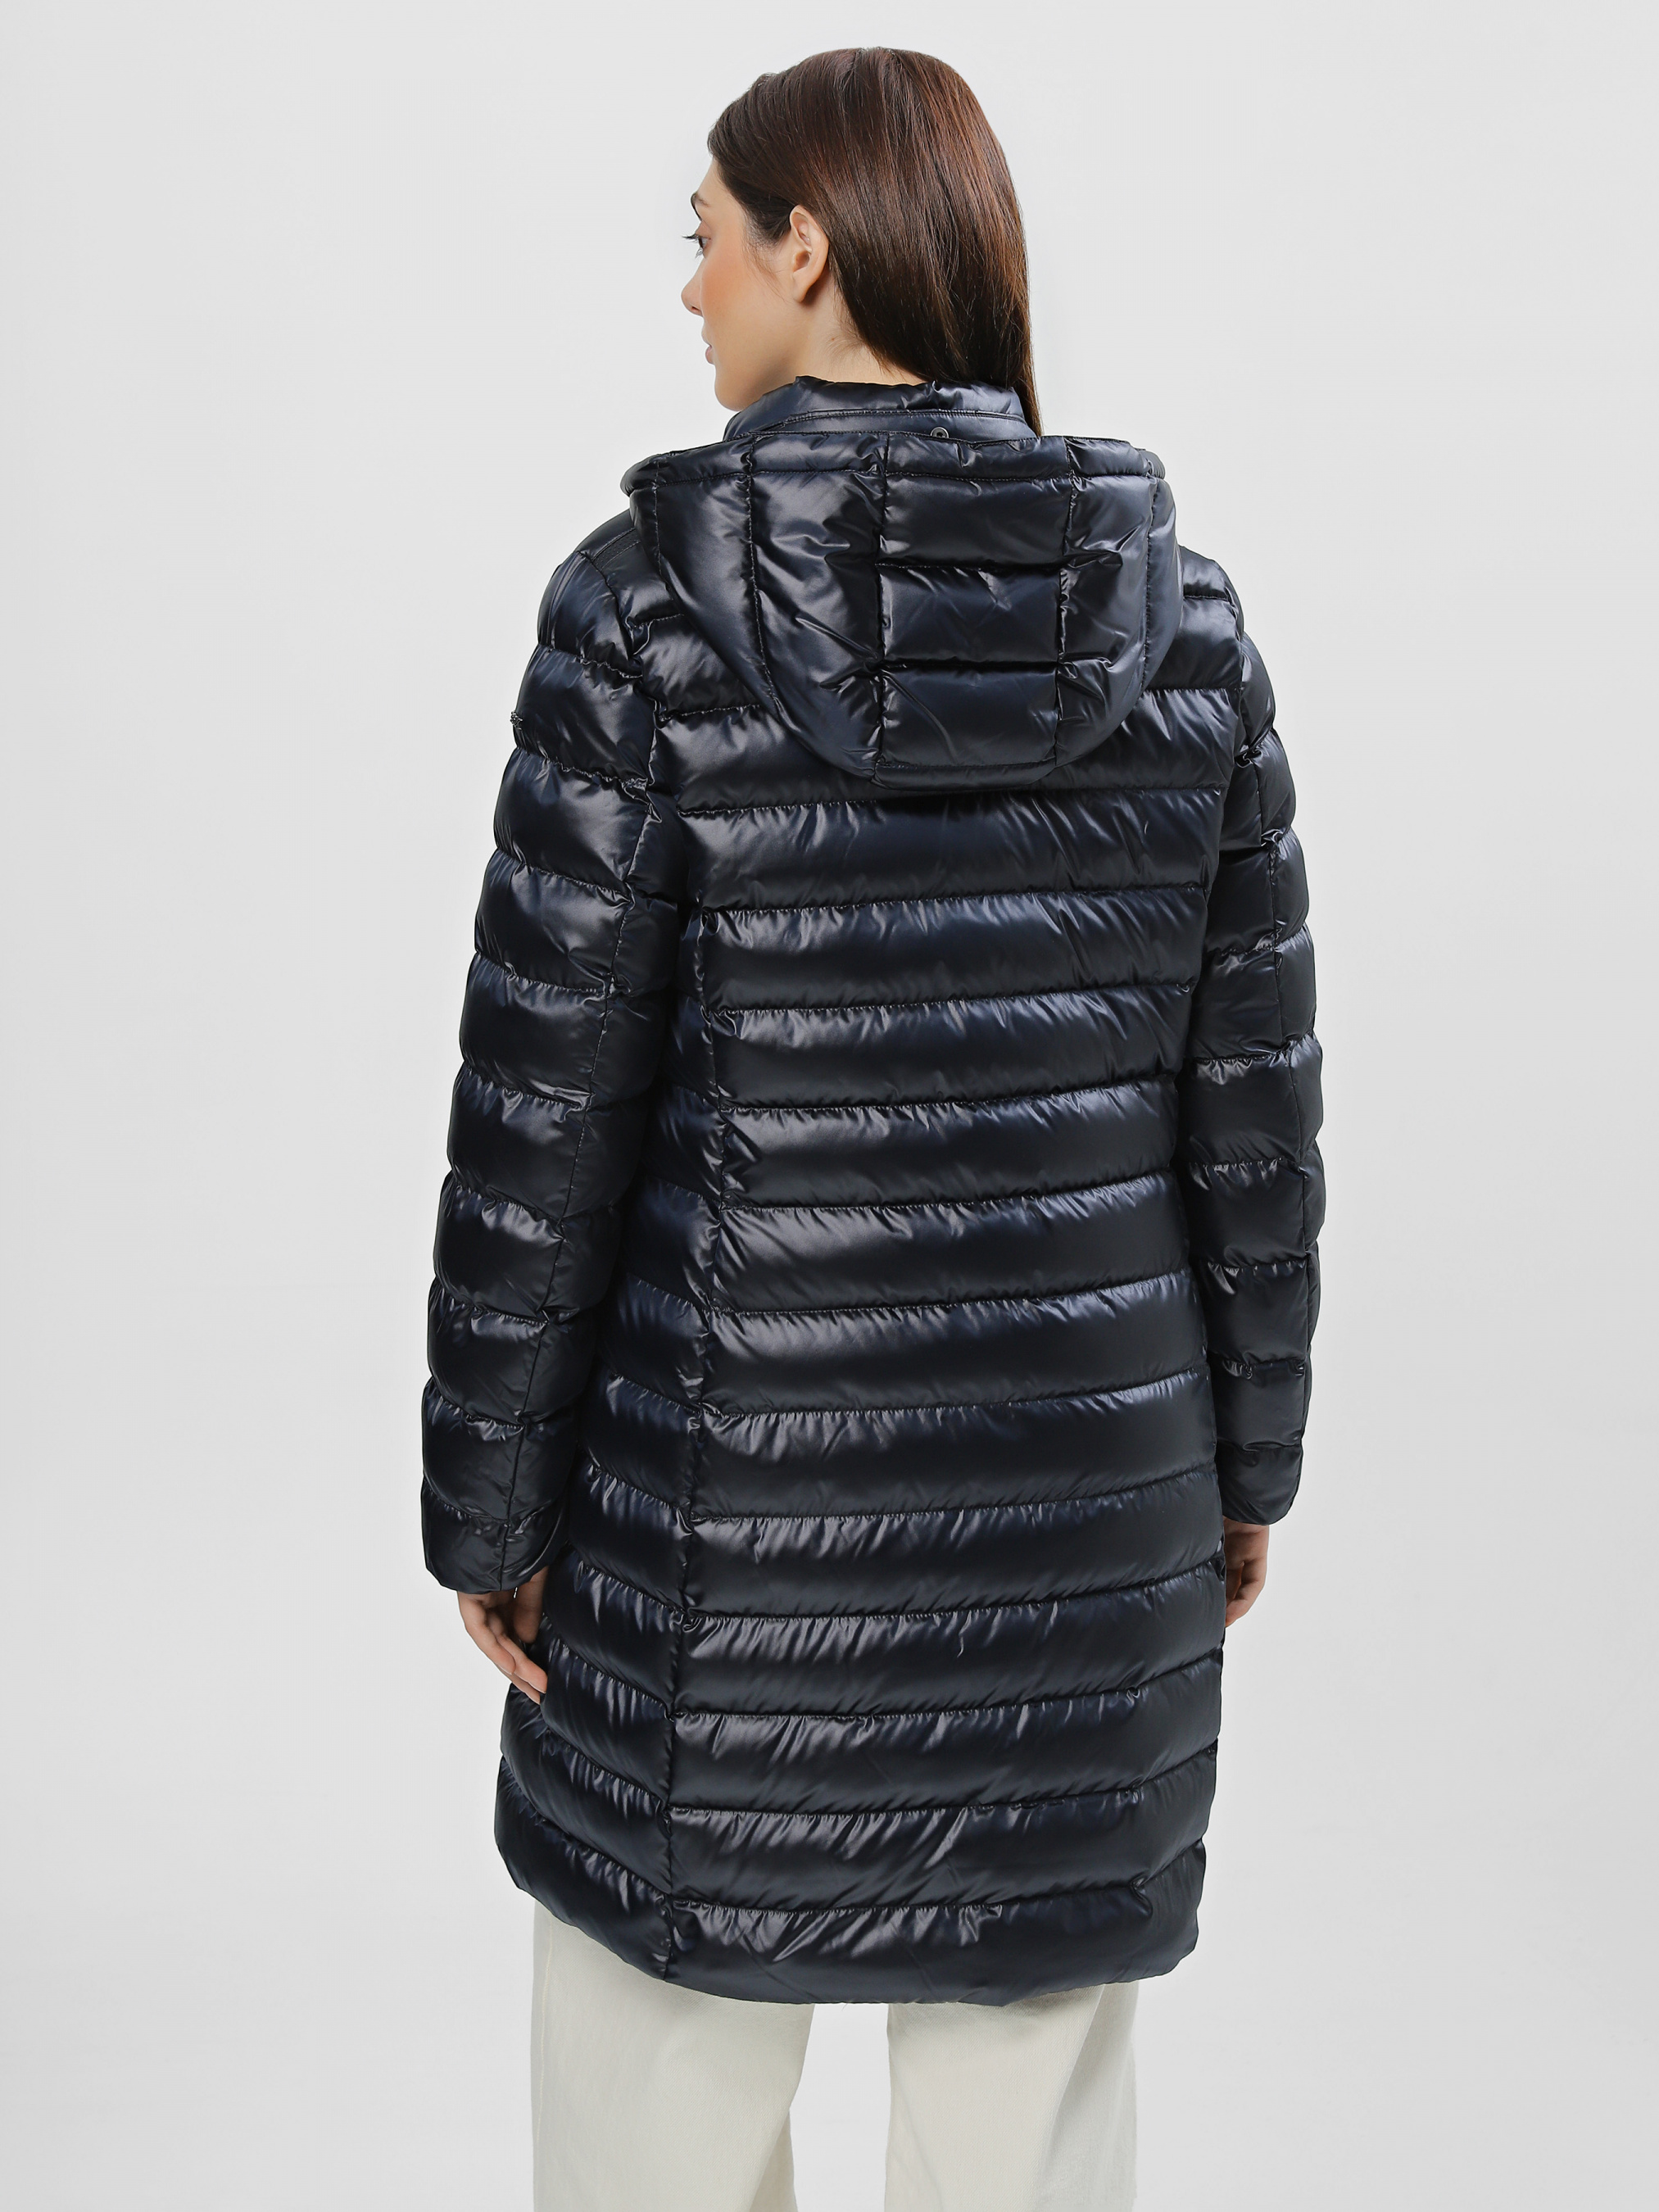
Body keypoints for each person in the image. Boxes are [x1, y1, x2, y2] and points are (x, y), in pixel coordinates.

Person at [420, 46, 1321, 2212]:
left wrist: (489, 1505)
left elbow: (544, 1111)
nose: (692, 292)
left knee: (656, 2108)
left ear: (806, 248)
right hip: (1088, 1521)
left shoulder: (639, 613)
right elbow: (1254, 1126)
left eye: (706, 242)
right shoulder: (1188, 627)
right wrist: (1244, 1467)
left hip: (706, 1545)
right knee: (1023, 2135)